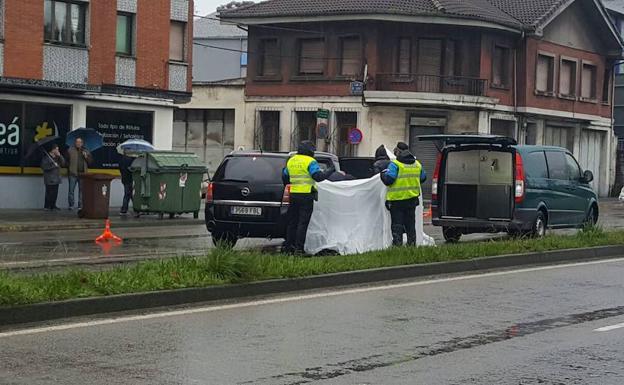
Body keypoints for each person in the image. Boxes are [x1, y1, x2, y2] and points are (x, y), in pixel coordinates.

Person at [282, 140, 334, 254]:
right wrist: (330, 171)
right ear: (310, 151)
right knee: (303, 223)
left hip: (293, 195)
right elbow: (318, 177)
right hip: (306, 196)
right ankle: (299, 249)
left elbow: (285, 176)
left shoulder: (291, 160)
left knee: (292, 223)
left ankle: (288, 248)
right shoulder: (310, 161)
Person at [381, 142, 427, 246]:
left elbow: (389, 180)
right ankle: (411, 244)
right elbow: (423, 178)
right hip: (412, 200)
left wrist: (382, 174)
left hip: (397, 201)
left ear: (398, 151)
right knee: (410, 224)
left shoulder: (395, 165)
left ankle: (397, 245)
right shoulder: (417, 164)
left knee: (397, 225)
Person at [67, 137, 92, 210]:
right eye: (77, 142)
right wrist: (69, 170)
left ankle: (80, 205)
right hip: (73, 174)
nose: (78, 143)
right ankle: (71, 205)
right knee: (71, 191)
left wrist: (86, 157)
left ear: (82, 143)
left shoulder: (86, 151)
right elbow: (66, 161)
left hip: (82, 174)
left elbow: (90, 163)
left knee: (81, 191)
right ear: (75, 143)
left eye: (79, 142)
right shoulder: (70, 150)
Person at [40, 144, 65, 211]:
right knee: (49, 193)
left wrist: (60, 156)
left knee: (55, 193)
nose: (57, 151)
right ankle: (47, 206)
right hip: (49, 178)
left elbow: (63, 163)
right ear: (53, 150)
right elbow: (44, 167)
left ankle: (53, 205)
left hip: (57, 177)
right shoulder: (46, 158)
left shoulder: (57, 157)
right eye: (56, 149)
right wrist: (53, 165)